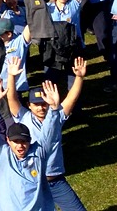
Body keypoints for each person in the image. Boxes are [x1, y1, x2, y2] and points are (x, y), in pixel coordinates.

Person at [5, 56, 88, 211]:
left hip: (55, 181)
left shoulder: (56, 116)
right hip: (31, 181)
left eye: (43, 104)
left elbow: (72, 98)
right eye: (36, 105)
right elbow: (11, 97)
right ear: (29, 106)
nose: (41, 108)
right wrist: (11, 76)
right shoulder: (23, 117)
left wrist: (79, 77)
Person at [0, 77, 64, 211]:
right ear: (8, 141)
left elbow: (49, 134)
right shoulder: (2, 153)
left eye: (23, 141)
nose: (20, 146)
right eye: (16, 142)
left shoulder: (39, 153)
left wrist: (54, 110)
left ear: (30, 141)